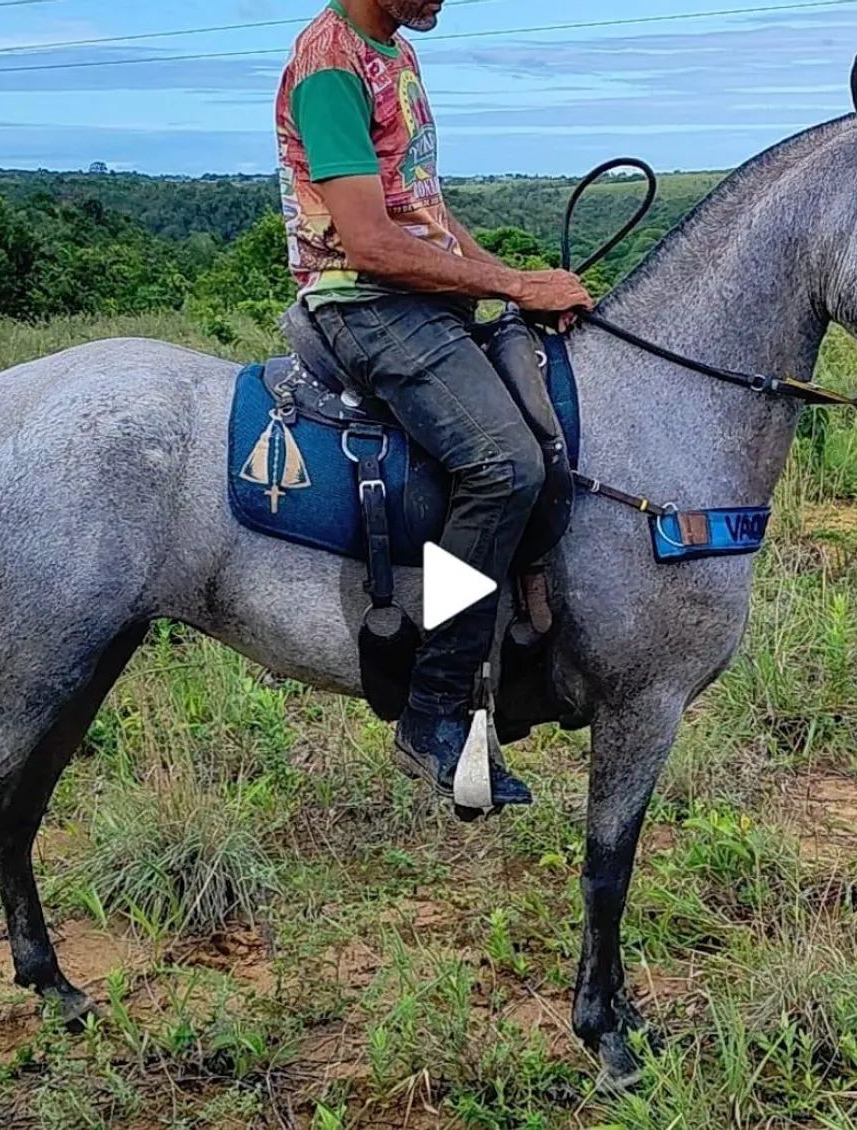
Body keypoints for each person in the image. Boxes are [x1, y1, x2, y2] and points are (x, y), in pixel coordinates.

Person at [276, 0, 594, 810]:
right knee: (503, 465)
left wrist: (516, 286)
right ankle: (435, 706)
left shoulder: (393, 50)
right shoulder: (330, 66)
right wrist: (515, 284)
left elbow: (427, 212)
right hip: (366, 304)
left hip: (416, 299)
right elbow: (370, 243)